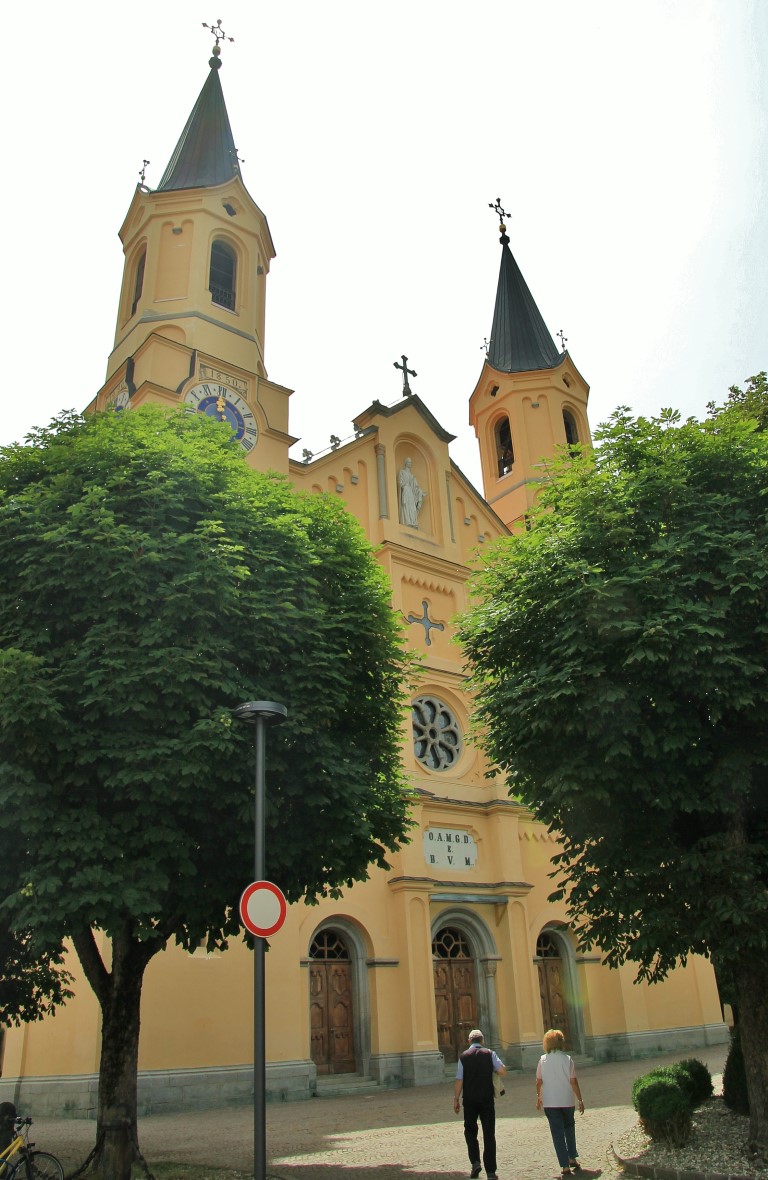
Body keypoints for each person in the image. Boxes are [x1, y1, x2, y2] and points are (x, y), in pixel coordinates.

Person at [453, 1028, 506, 1179]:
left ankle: (475, 1162)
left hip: (469, 1100)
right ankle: (491, 1171)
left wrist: (456, 1099)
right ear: (482, 1041)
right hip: (486, 1099)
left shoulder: (463, 1057)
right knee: (489, 1133)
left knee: (470, 1131)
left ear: (469, 1041)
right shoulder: (490, 1054)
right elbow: (502, 1071)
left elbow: (459, 1080)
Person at [535, 1029, 585, 1178]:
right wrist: (580, 1099)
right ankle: (572, 1157)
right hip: (566, 1100)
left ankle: (564, 1166)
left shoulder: (542, 1060)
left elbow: (538, 1081)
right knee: (569, 1127)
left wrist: (539, 1097)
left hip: (550, 1102)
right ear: (561, 1042)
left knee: (557, 1133)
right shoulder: (567, 1059)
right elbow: (573, 1081)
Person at [398, 458, 426, 527]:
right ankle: (407, 521)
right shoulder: (402, 472)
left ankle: (412, 521)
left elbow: (416, 486)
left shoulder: (412, 476)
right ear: (405, 463)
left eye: (410, 462)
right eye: (408, 462)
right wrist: (404, 485)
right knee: (406, 505)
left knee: (412, 506)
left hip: (410, 492)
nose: (410, 464)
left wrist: (420, 492)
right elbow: (400, 482)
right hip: (405, 490)